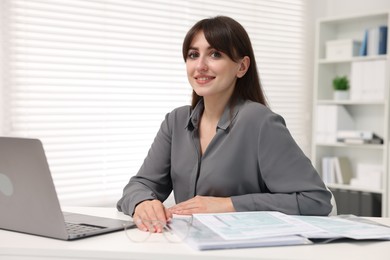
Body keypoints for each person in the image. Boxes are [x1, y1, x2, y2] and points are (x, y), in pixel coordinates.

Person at [117, 16, 333, 232]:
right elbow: (139, 185)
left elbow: (315, 200)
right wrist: (142, 203)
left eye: (215, 54)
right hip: (184, 247)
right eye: (193, 55)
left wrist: (227, 204)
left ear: (241, 66)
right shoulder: (175, 121)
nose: (200, 66)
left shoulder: (259, 121)